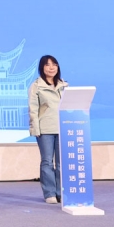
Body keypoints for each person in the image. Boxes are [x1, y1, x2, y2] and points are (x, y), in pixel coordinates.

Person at [29, 54, 68, 204]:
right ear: (42, 68)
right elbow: (33, 109)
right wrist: (35, 129)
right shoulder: (36, 86)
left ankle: (61, 192)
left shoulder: (64, 85)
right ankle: (50, 193)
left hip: (62, 127)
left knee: (61, 162)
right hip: (45, 128)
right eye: (47, 65)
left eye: (54, 64)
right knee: (47, 162)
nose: (51, 68)